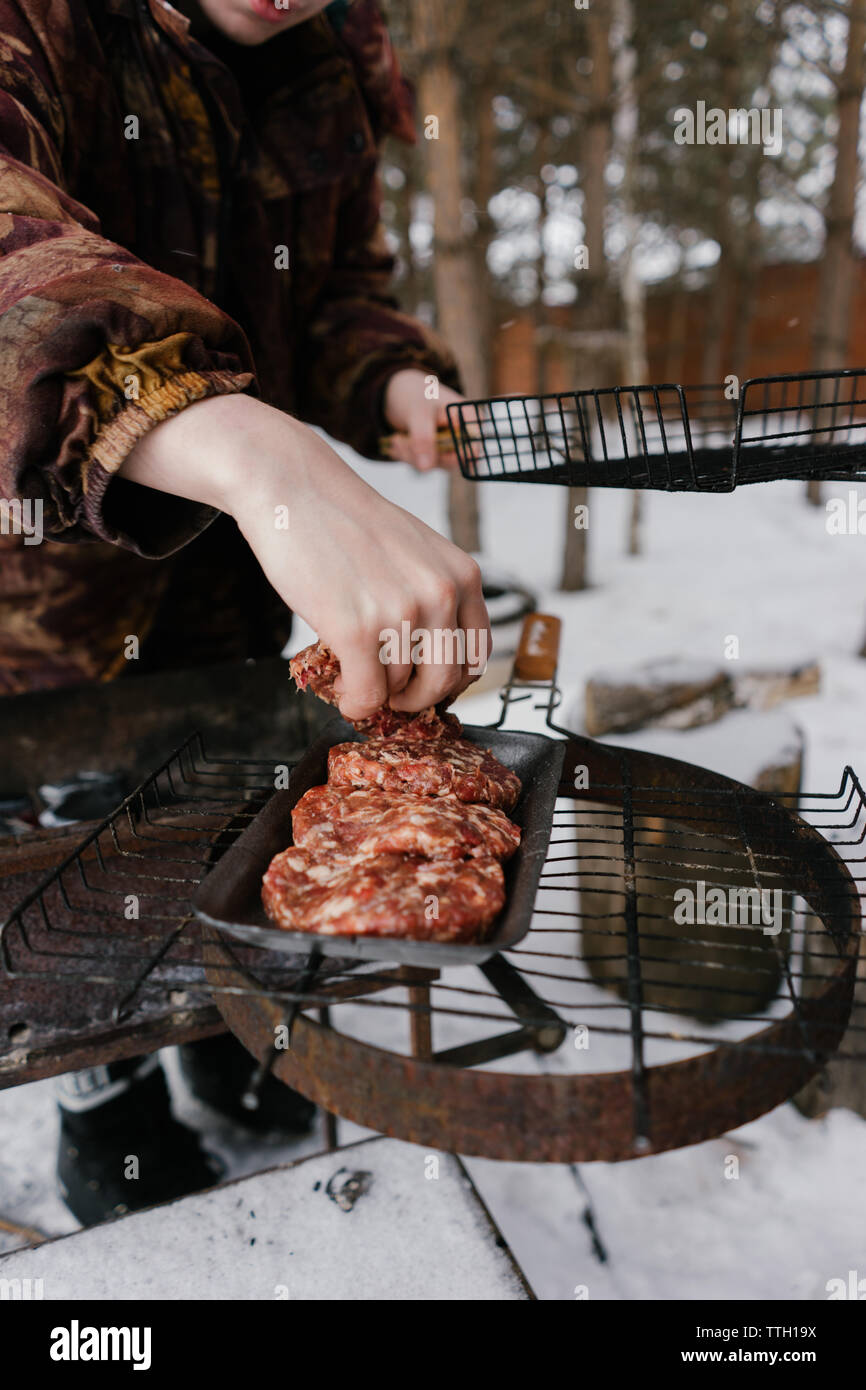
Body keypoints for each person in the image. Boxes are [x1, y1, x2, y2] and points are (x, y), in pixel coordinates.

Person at [0, 0, 491, 1223]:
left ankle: (222, 1028)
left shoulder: (334, 66)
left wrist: (390, 378)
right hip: (47, 599)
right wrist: (259, 461)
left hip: (233, 585)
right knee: (83, 866)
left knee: (226, 817)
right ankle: (105, 1103)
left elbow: (327, 299)